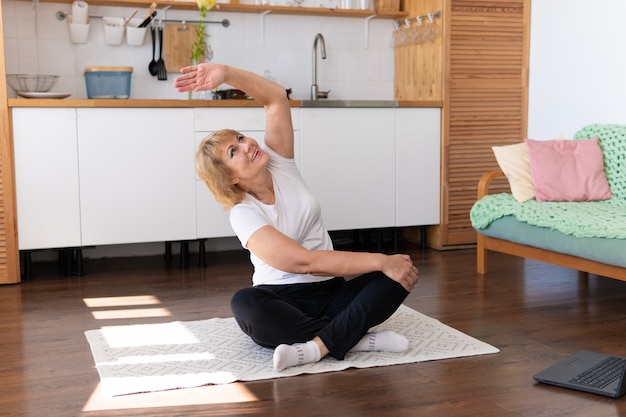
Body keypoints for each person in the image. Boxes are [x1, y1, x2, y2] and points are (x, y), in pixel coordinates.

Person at [174, 63, 419, 372]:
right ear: (230, 179)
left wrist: (225, 74)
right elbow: (303, 262)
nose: (247, 145)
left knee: (400, 271)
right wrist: (380, 259)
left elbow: (276, 98)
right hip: (281, 298)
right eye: (234, 152)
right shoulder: (243, 213)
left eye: (240, 137)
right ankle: (352, 338)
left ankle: (316, 346)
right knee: (244, 305)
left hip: (331, 291)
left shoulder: (279, 163)